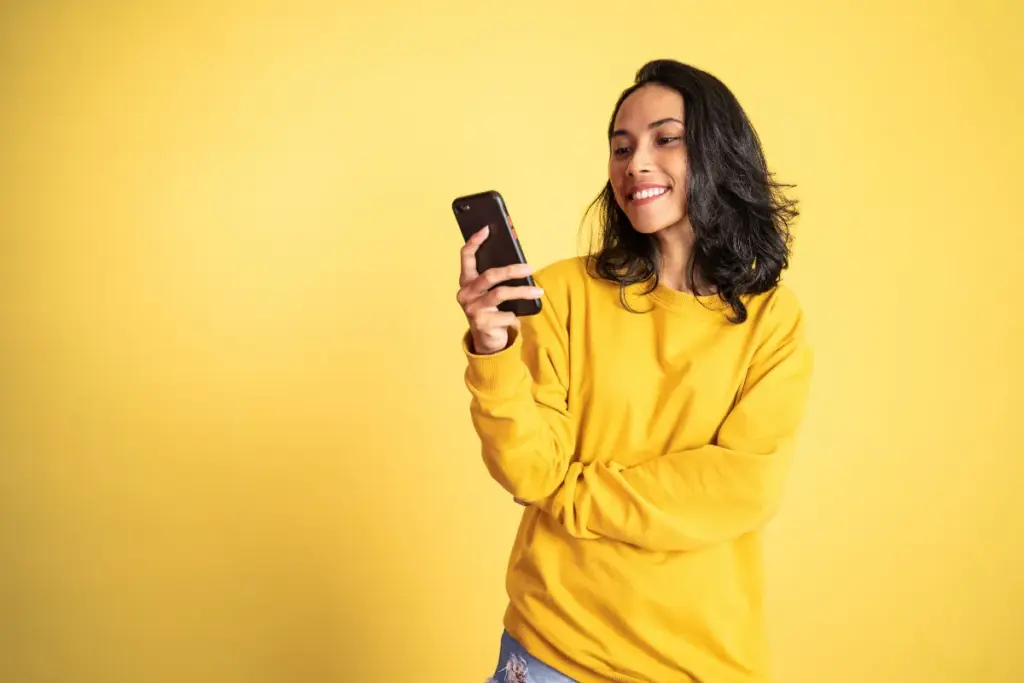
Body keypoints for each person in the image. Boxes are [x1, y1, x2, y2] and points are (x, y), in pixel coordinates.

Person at [457, 59, 814, 683]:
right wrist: (493, 348)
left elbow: (739, 488)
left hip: (703, 664)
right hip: (553, 651)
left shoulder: (771, 321)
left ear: (717, 152)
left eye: (664, 139)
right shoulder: (563, 292)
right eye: (621, 148)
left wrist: (567, 495)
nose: (635, 164)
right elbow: (529, 466)